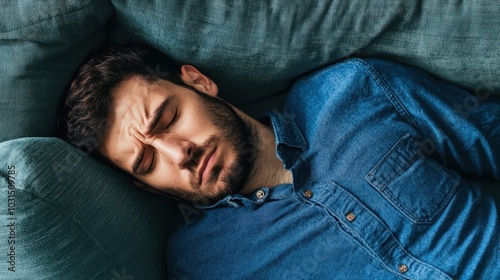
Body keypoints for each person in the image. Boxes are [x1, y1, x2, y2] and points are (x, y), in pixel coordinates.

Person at [60, 44, 500, 279]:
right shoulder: (200, 266)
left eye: (168, 118)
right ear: (144, 187)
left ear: (198, 82)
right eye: (147, 163)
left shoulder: (355, 91)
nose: (179, 154)